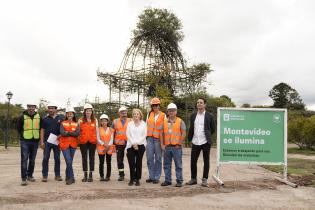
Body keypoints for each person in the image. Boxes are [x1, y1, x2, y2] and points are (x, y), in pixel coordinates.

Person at [186, 97, 216, 187]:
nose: (199, 104)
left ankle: (204, 179)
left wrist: (207, 136)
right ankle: (193, 179)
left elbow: (213, 129)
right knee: (193, 161)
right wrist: (189, 139)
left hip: (205, 141)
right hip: (195, 141)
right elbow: (191, 128)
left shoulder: (209, 116)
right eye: (198, 102)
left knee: (206, 161)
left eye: (201, 102)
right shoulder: (193, 115)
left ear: (205, 104)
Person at [161, 103, 186, 187]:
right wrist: (162, 144)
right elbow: (161, 134)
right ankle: (168, 180)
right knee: (166, 165)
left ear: (176, 111)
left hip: (176, 147)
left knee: (178, 165)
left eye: (173, 110)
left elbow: (183, 133)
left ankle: (179, 181)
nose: (171, 112)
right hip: (167, 147)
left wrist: (179, 143)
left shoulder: (180, 121)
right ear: (167, 112)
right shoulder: (164, 122)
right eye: (170, 111)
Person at [17, 103, 42, 186]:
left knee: (32, 160)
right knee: (24, 159)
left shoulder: (39, 117)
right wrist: (22, 137)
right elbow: (19, 128)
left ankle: (30, 176)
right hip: (25, 141)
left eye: (33, 107)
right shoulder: (22, 116)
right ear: (27, 107)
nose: (31, 108)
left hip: (35, 141)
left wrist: (39, 139)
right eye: (29, 107)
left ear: (35, 108)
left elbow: (41, 128)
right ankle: (24, 178)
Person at [78, 103, 103, 182]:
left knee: (91, 158)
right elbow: (78, 131)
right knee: (84, 158)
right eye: (87, 111)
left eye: (90, 111)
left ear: (92, 112)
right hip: (83, 142)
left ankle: (90, 175)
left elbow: (97, 131)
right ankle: (85, 175)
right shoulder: (80, 120)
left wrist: (98, 141)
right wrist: (79, 140)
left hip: (92, 142)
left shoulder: (95, 120)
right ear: (84, 112)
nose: (88, 112)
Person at [40, 103, 63, 182]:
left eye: (52, 108)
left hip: (57, 141)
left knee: (57, 159)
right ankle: (45, 176)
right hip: (47, 142)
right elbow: (42, 130)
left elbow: (63, 129)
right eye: (49, 108)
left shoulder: (61, 118)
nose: (50, 110)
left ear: (55, 109)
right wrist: (42, 142)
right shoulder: (45, 119)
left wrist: (60, 135)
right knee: (45, 158)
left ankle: (57, 175)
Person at [146, 97, 165, 184]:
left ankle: (156, 177)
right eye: (153, 105)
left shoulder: (163, 115)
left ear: (159, 106)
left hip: (158, 139)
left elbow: (165, 129)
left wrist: (163, 143)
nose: (155, 107)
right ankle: (151, 176)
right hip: (149, 139)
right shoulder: (149, 114)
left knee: (158, 158)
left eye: (156, 105)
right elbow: (146, 126)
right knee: (149, 158)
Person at [126, 109, 147, 186]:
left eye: (137, 114)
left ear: (140, 115)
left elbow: (144, 135)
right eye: (134, 114)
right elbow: (128, 134)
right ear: (132, 115)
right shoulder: (129, 124)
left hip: (141, 145)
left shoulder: (144, 124)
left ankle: (137, 179)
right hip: (130, 145)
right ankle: (132, 178)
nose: (135, 115)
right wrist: (133, 143)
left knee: (138, 162)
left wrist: (137, 143)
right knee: (131, 163)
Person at [59, 107, 80, 185]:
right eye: (68, 113)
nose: (69, 114)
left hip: (73, 145)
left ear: (73, 114)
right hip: (64, 145)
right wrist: (72, 133)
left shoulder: (76, 123)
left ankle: (67, 177)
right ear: (66, 114)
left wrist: (67, 132)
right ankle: (72, 178)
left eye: (71, 113)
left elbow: (77, 133)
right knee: (68, 161)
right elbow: (62, 133)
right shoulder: (62, 123)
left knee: (69, 162)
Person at [112, 106, 130, 181]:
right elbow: (112, 133)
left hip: (129, 144)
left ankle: (133, 174)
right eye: (122, 112)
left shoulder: (131, 121)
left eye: (125, 111)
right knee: (119, 160)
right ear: (119, 113)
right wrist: (113, 143)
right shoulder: (115, 121)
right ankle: (121, 175)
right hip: (119, 144)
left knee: (131, 160)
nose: (124, 113)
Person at [97, 114, 115, 181]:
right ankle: (101, 176)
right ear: (100, 122)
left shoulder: (111, 129)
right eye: (102, 121)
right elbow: (98, 139)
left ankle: (108, 176)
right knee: (101, 163)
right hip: (101, 148)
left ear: (107, 121)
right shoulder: (98, 129)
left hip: (109, 148)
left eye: (105, 121)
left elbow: (112, 139)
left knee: (108, 162)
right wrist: (104, 144)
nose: (104, 122)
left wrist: (107, 146)